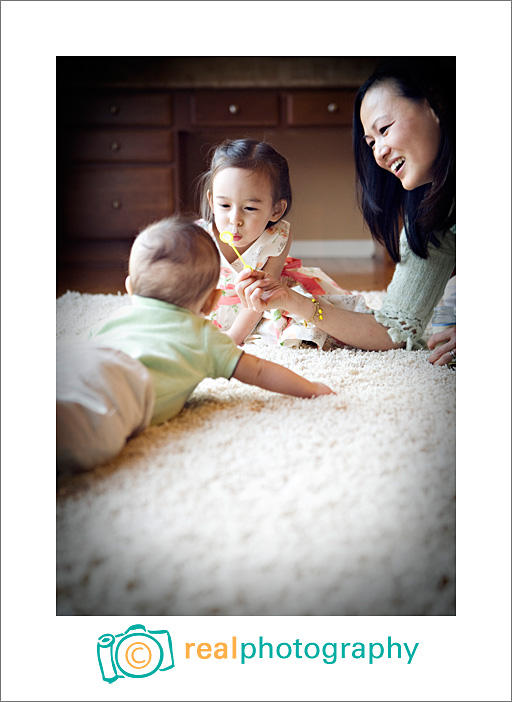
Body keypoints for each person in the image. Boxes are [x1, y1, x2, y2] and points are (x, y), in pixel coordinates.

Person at [235, 58, 456, 367]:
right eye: (371, 142)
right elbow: (394, 330)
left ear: (436, 103)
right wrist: (292, 301)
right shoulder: (432, 221)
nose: (378, 152)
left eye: (384, 129)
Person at [89, 215, 334, 427]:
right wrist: (310, 388)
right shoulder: (204, 338)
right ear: (211, 302)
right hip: (114, 409)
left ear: (130, 288)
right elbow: (259, 371)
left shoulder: (109, 321)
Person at [196, 138, 371, 349]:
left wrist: (234, 336)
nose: (235, 219)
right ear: (212, 202)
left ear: (276, 210)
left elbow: (262, 296)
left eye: (249, 208)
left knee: (294, 327)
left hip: (261, 303)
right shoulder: (198, 238)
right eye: (224, 205)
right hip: (210, 303)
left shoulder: (277, 237)